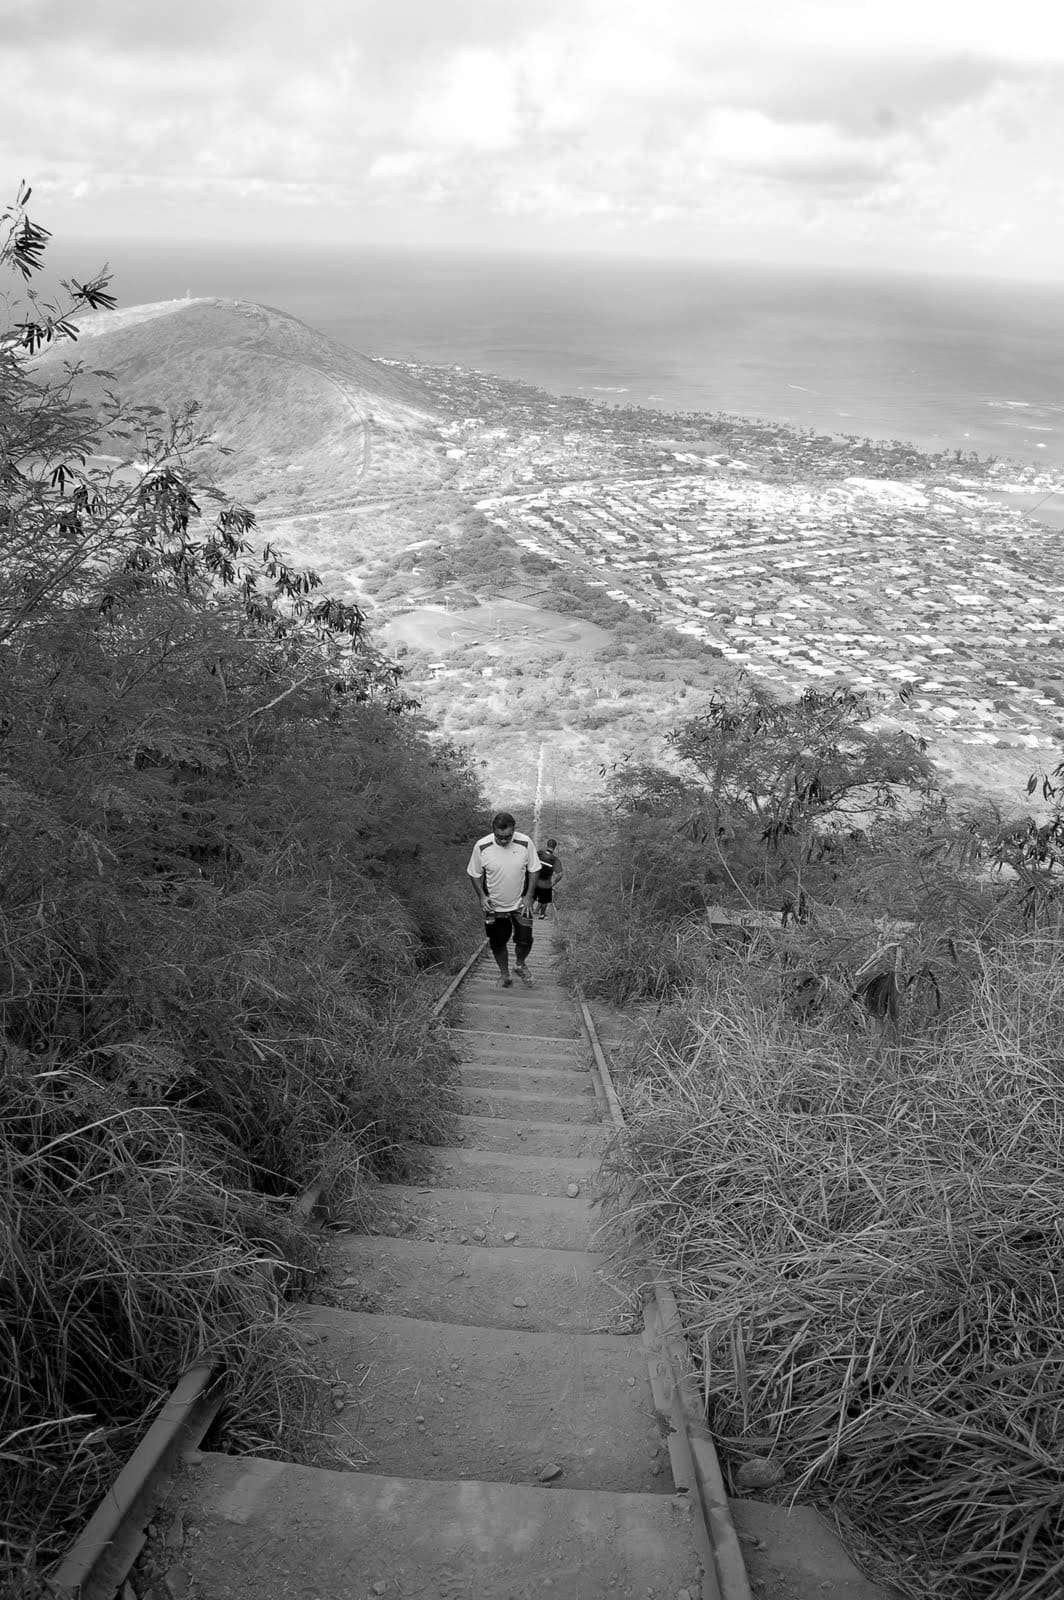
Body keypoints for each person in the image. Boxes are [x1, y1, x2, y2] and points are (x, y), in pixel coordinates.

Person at [466, 811, 541, 987]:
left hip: (521, 903)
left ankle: (520, 964)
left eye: (508, 837)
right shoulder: (482, 846)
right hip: (494, 905)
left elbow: (534, 869)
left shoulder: (525, 842)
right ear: (493, 831)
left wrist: (529, 896)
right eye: (499, 837)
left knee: (525, 939)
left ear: (514, 831)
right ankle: (505, 974)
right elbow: (474, 873)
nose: (503, 841)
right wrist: (482, 897)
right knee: (497, 942)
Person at [533, 837, 563, 918]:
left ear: (547, 845)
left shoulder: (538, 853)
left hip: (534, 881)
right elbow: (560, 874)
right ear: (555, 847)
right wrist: (553, 883)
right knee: (544, 901)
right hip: (546, 884)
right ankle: (542, 915)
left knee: (532, 897)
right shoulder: (555, 860)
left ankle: (527, 912)